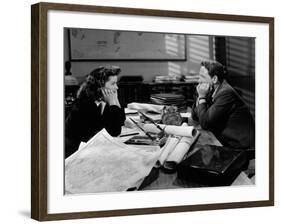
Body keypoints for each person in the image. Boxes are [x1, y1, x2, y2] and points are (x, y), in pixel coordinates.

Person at [65, 65, 126, 158]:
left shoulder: (106, 100)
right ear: (100, 86)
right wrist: (113, 104)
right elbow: (111, 133)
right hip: (77, 154)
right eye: (113, 84)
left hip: (95, 150)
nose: (117, 87)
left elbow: (120, 123)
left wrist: (115, 101)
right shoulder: (83, 105)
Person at [191, 61, 255, 149]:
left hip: (239, 145)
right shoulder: (213, 89)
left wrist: (202, 97)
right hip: (224, 139)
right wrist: (200, 96)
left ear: (214, 79)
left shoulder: (225, 93)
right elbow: (195, 116)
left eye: (202, 77)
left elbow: (205, 124)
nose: (198, 80)